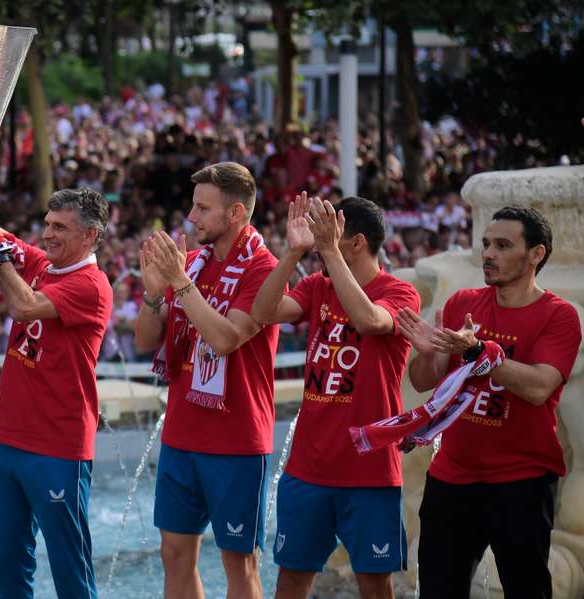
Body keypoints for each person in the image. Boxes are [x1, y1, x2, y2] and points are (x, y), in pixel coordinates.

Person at [395, 206, 581, 599]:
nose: (488, 254)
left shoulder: (559, 316)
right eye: (485, 244)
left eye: (502, 245)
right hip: (451, 478)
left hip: (522, 481)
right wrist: (428, 352)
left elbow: (538, 387)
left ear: (536, 255)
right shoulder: (464, 302)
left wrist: (481, 351)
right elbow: (424, 379)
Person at [251, 193, 421, 599]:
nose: (318, 237)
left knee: (374, 586)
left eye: (329, 231)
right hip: (307, 468)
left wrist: (329, 251)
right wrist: (293, 253)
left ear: (356, 242)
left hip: (369, 471)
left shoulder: (400, 292)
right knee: (290, 581)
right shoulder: (316, 286)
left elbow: (368, 319)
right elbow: (263, 313)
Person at [0, 187, 112, 599]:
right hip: (8, 441)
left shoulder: (91, 284)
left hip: (57, 446)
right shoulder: (43, 263)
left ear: (89, 236)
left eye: (60, 227)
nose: (48, 234)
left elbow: (24, 305)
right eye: (47, 224)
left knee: (70, 570)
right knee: (7, 564)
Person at [134, 162, 279, 599]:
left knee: (239, 565)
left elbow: (225, 337)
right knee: (174, 555)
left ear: (236, 213)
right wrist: (154, 293)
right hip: (181, 434)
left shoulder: (263, 269)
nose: (192, 218)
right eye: (193, 207)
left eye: (202, 208)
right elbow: (145, 341)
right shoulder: (192, 265)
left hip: (236, 441)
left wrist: (178, 284)